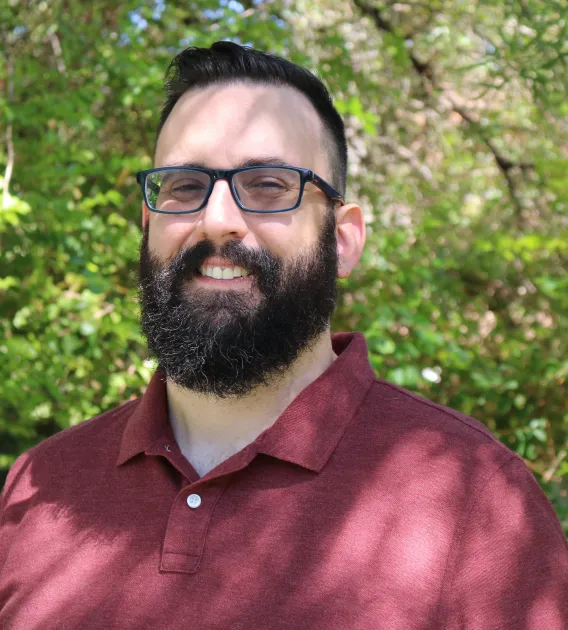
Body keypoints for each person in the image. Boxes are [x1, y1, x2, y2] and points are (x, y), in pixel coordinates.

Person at [0, 41, 566, 630]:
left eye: (269, 185)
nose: (217, 219)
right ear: (148, 225)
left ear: (342, 240)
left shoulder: (476, 500)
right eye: (184, 186)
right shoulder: (39, 485)